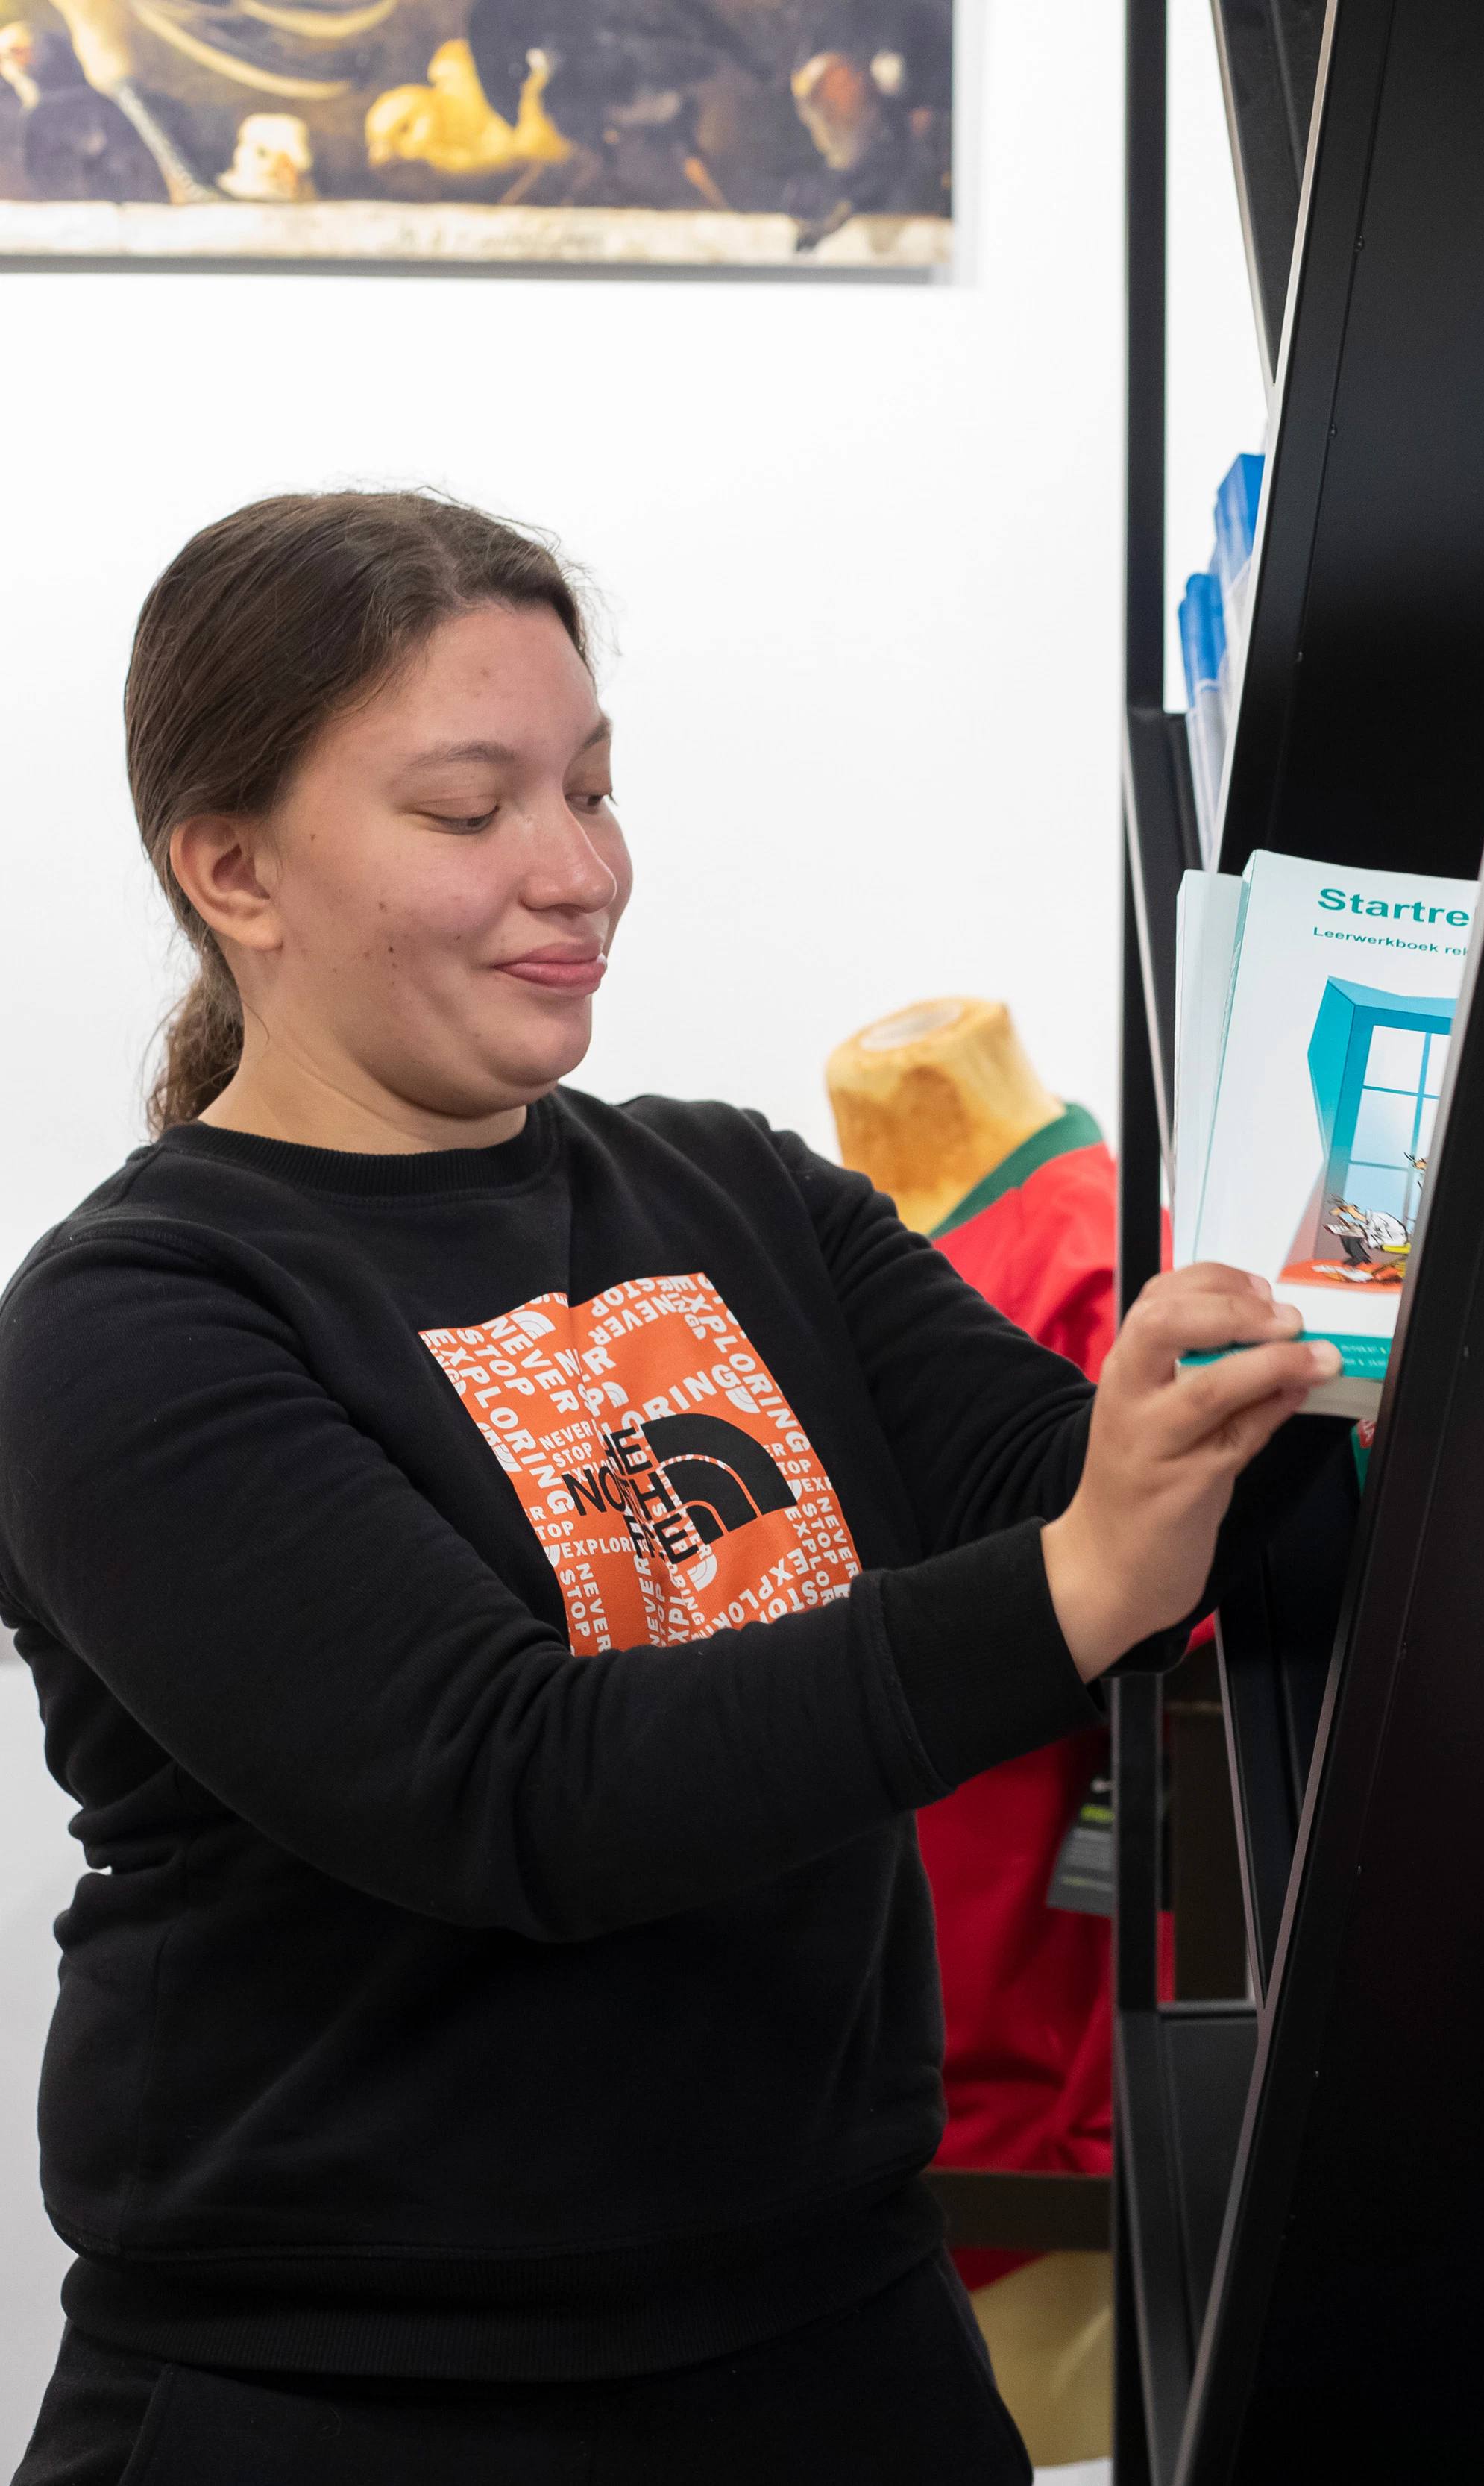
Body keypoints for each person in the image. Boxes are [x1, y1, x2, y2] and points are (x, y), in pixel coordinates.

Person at [0, 490, 1336, 2486]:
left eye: (591, 785)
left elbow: (1107, 1504)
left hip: (842, 2348)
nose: (578, 871)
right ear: (232, 869)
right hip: (346, 2406)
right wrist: (1075, 1581)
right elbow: (518, 1786)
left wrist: (1353, 1328)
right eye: (472, 811)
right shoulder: (132, 1325)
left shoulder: (738, 1191)